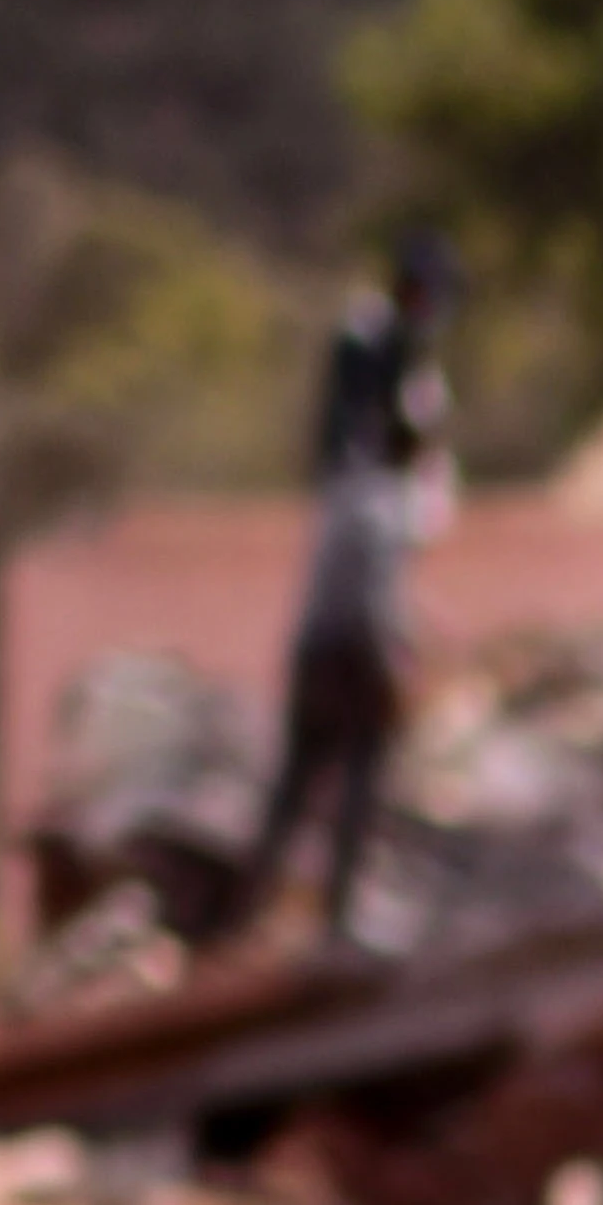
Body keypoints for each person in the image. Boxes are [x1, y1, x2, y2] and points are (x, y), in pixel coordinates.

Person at [245, 233, 459, 945]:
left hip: (314, 650)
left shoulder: (343, 492)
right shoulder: (380, 498)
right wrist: (398, 662)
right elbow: (373, 606)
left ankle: (245, 912)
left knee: (296, 781)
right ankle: (337, 919)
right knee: (363, 767)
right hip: (352, 649)